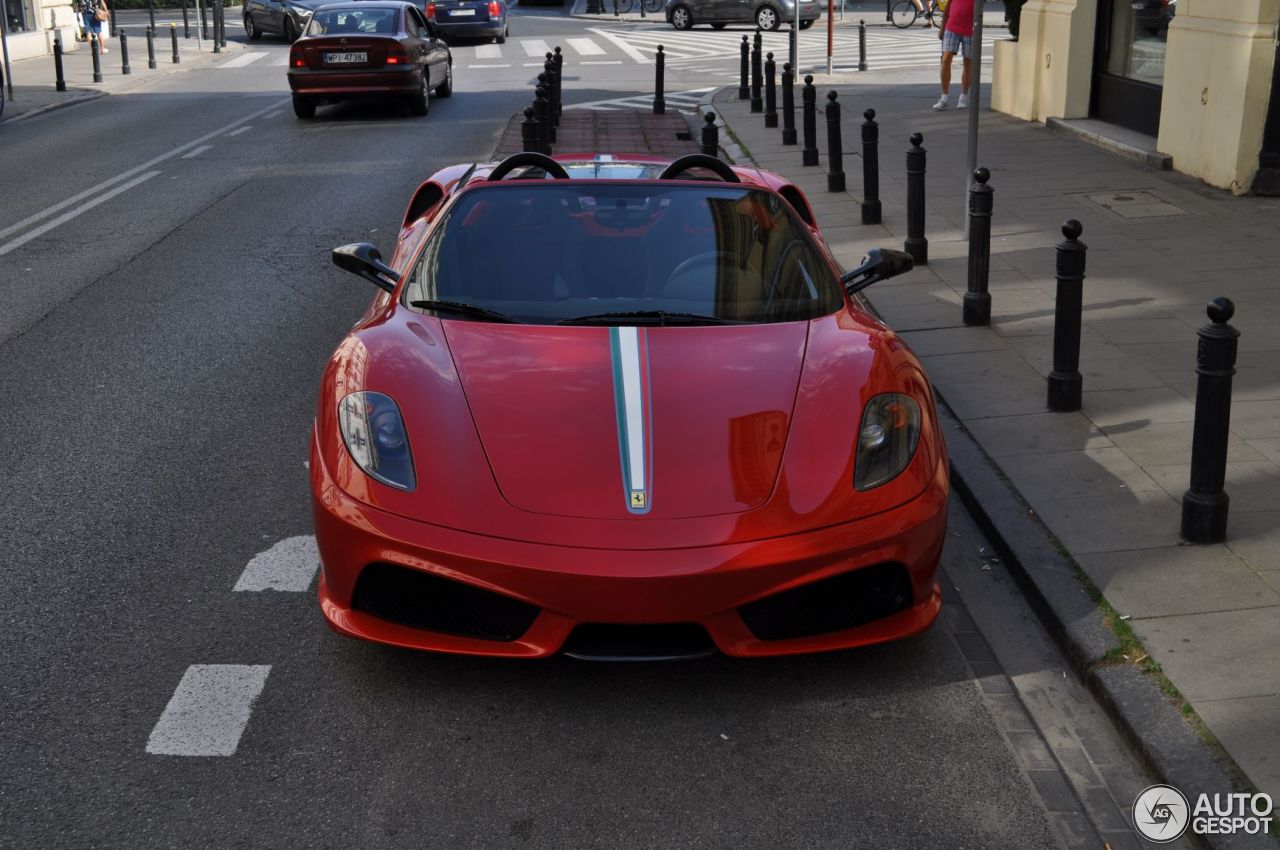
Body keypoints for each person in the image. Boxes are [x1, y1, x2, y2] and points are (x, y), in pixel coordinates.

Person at [933, 0, 973, 110]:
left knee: (968, 63)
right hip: (951, 28)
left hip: (970, 31)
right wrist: (942, 30)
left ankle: (963, 98)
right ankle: (944, 98)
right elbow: (946, 12)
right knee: (945, 61)